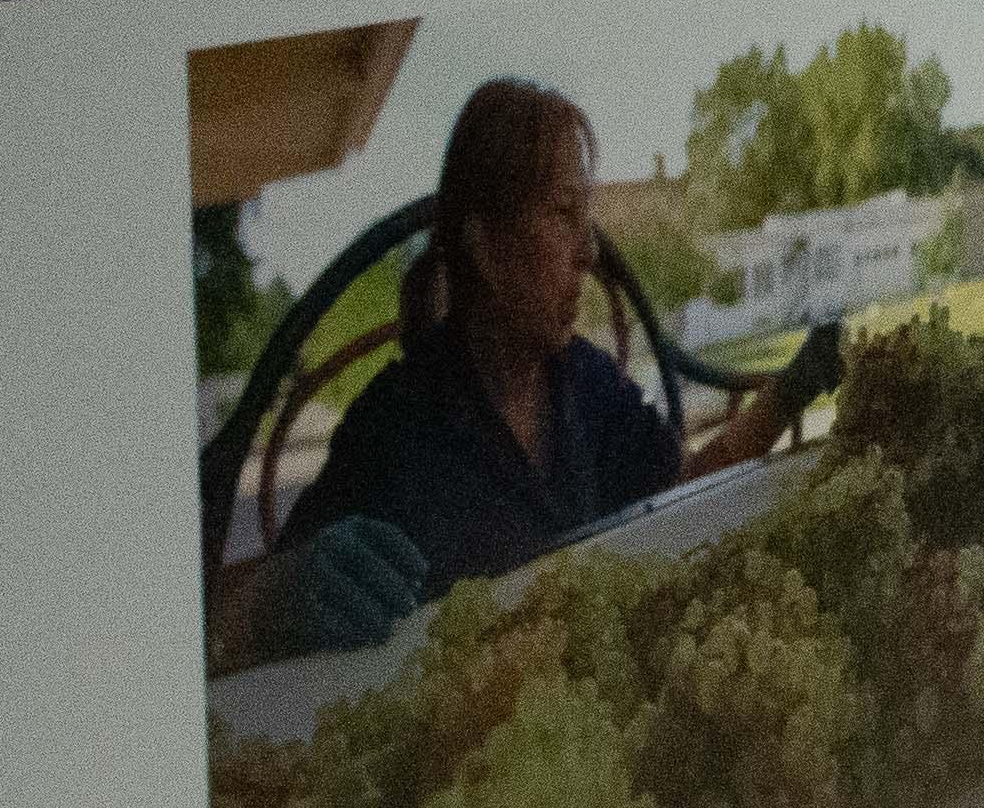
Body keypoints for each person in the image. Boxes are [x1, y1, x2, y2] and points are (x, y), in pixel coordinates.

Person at [239, 78, 828, 661]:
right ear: (487, 246)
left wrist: (793, 389)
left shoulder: (588, 385)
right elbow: (236, 622)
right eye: (564, 212)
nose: (590, 251)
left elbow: (683, 494)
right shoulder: (394, 426)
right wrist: (276, 600)